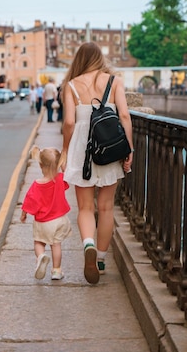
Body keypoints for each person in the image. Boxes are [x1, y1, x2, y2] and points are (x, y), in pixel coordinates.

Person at [57, 41, 133, 284]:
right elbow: (124, 115)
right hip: (109, 145)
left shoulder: (71, 85)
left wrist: (66, 150)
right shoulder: (114, 81)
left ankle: (88, 244)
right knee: (107, 206)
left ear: (79, 60)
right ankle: (100, 259)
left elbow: (69, 122)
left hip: (83, 149)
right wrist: (129, 147)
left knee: (86, 208)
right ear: (100, 58)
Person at [20, 146, 72, 280]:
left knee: (39, 242)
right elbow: (68, 178)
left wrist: (24, 213)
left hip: (43, 222)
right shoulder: (60, 179)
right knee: (56, 245)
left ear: (40, 165)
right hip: (59, 220)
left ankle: (41, 257)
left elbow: (30, 200)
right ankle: (56, 271)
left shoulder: (37, 184)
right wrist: (63, 167)